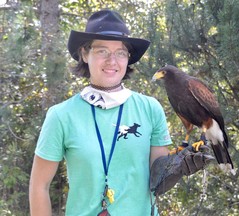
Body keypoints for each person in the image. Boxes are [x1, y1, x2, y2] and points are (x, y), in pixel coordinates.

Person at [29, 9, 214, 216]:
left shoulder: (150, 108)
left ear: (128, 58)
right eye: (102, 51)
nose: (112, 61)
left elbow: (157, 181)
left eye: (120, 52)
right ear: (84, 53)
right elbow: (39, 186)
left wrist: (178, 167)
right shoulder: (61, 116)